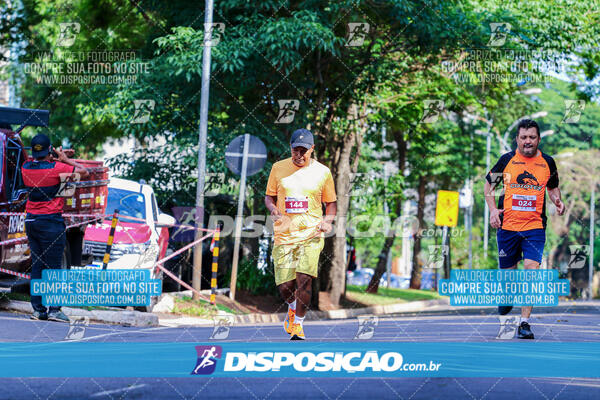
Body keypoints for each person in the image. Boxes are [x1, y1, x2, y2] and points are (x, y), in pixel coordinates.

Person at [484, 119, 565, 339]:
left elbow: (553, 187)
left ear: (539, 139)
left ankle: (524, 323)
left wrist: (557, 201)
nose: (527, 141)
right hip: (507, 227)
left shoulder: (547, 162)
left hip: (535, 227)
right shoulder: (507, 160)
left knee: (531, 272)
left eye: (532, 137)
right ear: (517, 139)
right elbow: (488, 185)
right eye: (523, 137)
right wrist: (493, 210)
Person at [265, 129, 337, 340]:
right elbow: (269, 197)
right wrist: (272, 209)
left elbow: (331, 203)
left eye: (304, 151)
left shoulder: (323, 172)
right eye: (296, 150)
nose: (299, 155)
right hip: (284, 235)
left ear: (312, 149)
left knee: (304, 280)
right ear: (290, 148)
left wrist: (327, 221)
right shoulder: (278, 168)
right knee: (285, 287)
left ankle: (298, 325)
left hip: (311, 234)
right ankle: (292, 307)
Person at [22, 134, 89, 322]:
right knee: (54, 267)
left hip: (32, 221)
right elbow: (84, 172)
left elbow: (37, 161)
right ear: (49, 150)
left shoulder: (25, 167)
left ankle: (38, 310)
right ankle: (54, 310)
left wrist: (52, 156)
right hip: (50, 223)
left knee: (37, 265)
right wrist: (65, 158)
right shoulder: (57, 169)